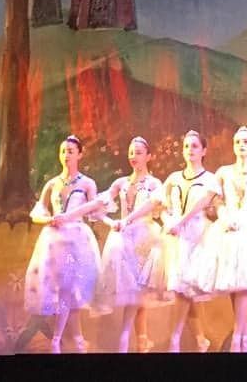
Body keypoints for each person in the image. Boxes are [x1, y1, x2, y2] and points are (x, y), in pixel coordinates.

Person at [195, 126, 247, 352]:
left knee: (245, 277)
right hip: (228, 225)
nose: (241, 145)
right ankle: (245, 335)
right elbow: (214, 199)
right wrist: (224, 215)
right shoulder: (224, 172)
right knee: (233, 278)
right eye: (238, 141)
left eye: (246, 142)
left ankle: (238, 336)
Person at [23, 135, 102, 353]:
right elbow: (37, 212)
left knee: (70, 290)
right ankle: (76, 340)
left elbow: (94, 209)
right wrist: (48, 219)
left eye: (70, 151)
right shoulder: (52, 184)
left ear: (80, 154)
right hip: (55, 241)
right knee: (65, 291)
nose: (66, 155)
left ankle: (58, 340)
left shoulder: (87, 183)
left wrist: (92, 214)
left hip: (77, 240)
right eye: (63, 151)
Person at [89, 136, 164, 352]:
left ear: (149, 156)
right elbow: (98, 206)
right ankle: (140, 342)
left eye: (138, 152)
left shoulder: (154, 184)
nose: (134, 156)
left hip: (144, 239)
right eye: (131, 152)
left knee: (138, 293)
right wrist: (111, 222)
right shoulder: (120, 183)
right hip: (123, 241)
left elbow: (151, 205)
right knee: (135, 294)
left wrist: (127, 220)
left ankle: (131, 340)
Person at [149, 129, 219, 353]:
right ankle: (199, 339)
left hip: (197, 235)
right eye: (187, 146)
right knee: (183, 289)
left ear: (204, 151)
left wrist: (180, 222)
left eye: (195, 146)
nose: (190, 150)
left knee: (186, 288)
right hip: (176, 237)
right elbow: (160, 206)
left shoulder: (210, 179)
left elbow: (204, 204)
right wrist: (169, 221)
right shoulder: (174, 178)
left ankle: (176, 338)